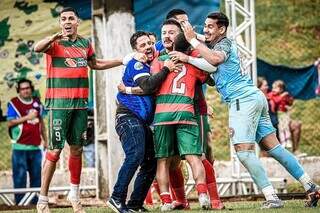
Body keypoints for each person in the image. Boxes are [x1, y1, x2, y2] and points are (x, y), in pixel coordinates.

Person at [179, 11, 320, 208]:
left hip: (242, 100)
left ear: (222, 29)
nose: (206, 29)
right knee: (275, 149)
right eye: (205, 25)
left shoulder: (223, 44)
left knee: (243, 152)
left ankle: (272, 198)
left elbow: (214, 59)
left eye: (211, 26)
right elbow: (208, 57)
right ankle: (311, 186)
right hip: (254, 97)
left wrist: (192, 43)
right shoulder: (219, 43)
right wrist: (191, 50)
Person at [33, 7, 123, 213]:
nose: (66, 21)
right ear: (60, 23)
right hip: (58, 106)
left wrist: (122, 60)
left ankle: (75, 195)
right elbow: (38, 48)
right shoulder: (53, 43)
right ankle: (42, 200)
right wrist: (53, 37)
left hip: (80, 106)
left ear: (77, 22)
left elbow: (96, 63)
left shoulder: (85, 44)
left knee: (77, 149)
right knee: (54, 152)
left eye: (70, 18)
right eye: (63, 19)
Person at [107, 31, 179, 213]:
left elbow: (170, 39)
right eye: (142, 45)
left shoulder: (151, 56)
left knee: (151, 161)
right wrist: (166, 68)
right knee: (135, 155)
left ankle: (135, 204)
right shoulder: (137, 63)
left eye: (149, 43)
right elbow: (148, 86)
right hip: (128, 117)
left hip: (141, 122)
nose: (147, 47)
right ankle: (116, 198)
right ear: (135, 50)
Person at [7, 78, 47, 205]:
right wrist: (27, 117)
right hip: (20, 148)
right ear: (19, 90)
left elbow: (42, 122)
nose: (25, 91)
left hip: (36, 148)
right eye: (23, 89)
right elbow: (10, 122)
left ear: (31, 89)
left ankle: (35, 204)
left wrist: (45, 140)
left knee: (37, 178)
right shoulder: (14, 103)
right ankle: (20, 204)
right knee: (19, 178)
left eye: (27, 88)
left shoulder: (37, 103)